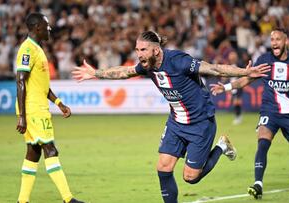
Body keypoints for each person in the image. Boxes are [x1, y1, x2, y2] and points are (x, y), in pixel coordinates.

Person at [72, 31, 271, 203]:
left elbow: (214, 68)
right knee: (163, 167)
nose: (138, 54)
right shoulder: (147, 65)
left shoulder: (179, 61)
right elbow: (125, 72)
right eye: (137, 49)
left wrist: (245, 71)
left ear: (155, 51)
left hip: (201, 123)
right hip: (176, 122)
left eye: (143, 50)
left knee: (191, 177)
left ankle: (222, 147)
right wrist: (96, 73)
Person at [210, 28, 289, 199]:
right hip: (270, 111)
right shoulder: (265, 60)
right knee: (263, 143)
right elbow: (247, 78)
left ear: (286, 41)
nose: (274, 42)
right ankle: (258, 184)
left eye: (277, 39)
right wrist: (226, 87)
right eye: (272, 39)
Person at [15, 13, 84, 203]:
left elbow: (42, 86)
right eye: (46, 26)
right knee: (50, 149)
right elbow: (20, 80)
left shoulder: (38, 49)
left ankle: (22, 201)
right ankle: (68, 199)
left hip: (36, 106)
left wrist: (59, 103)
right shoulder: (28, 49)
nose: (49, 29)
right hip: (33, 109)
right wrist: (22, 115)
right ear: (37, 27)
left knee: (33, 152)